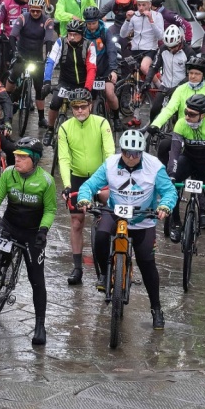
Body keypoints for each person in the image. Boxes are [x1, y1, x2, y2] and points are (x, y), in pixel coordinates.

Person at [78, 130, 176, 329]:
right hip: (115, 212)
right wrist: (84, 198)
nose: (131, 157)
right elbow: (89, 185)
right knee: (102, 236)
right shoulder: (111, 164)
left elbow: (169, 191)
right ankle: (105, 274)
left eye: (136, 153)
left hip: (143, 218)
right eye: (127, 153)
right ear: (121, 151)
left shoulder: (155, 166)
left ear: (142, 152)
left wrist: (165, 206)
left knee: (147, 263)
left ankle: (156, 309)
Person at [0, 137, 55, 346]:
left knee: (37, 280)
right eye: (16, 155)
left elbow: (50, 210)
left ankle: (40, 325)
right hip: (8, 226)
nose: (16, 159)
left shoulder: (46, 181)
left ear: (34, 160)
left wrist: (43, 231)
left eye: (22, 157)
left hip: (32, 232)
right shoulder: (9, 174)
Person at [56, 87, 114, 285]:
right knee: (76, 222)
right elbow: (63, 159)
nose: (79, 111)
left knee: (110, 217)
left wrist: (111, 179)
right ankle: (77, 267)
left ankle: (113, 261)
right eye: (75, 108)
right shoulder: (64, 128)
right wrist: (66, 185)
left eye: (83, 107)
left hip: (101, 176)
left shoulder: (101, 123)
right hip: (78, 178)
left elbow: (109, 153)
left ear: (90, 106)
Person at [166, 93, 205, 271]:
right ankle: (176, 222)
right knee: (172, 182)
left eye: (192, 114)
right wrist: (171, 175)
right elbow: (174, 154)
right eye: (186, 112)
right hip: (189, 160)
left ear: (203, 115)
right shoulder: (181, 123)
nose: (187, 116)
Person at [43, 19, 97, 143]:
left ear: (82, 35)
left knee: (84, 109)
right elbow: (51, 61)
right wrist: (46, 81)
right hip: (65, 81)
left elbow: (91, 68)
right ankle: (50, 129)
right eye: (70, 34)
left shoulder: (89, 45)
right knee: (55, 102)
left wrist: (87, 88)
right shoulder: (60, 42)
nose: (71, 37)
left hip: (83, 84)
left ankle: (87, 132)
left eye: (75, 35)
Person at [6, 0, 56, 128]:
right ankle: (6, 96)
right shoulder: (23, 18)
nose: (34, 13)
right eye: (32, 10)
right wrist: (15, 52)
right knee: (14, 74)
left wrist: (48, 56)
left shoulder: (47, 21)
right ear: (29, 9)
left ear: (42, 10)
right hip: (22, 54)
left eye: (37, 11)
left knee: (39, 88)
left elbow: (49, 40)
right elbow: (12, 36)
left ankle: (41, 118)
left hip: (37, 57)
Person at [146, 25, 188, 123]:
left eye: (173, 47)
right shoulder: (163, 49)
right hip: (165, 86)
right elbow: (154, 66)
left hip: (181, 88)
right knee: (154, 110)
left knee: (179, 116)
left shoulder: (188, 52)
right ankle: (152, 132)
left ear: (180, 42)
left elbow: (190, 75)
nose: (171, 50)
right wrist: (147, 81)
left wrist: (178, 87)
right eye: (169, 47)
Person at [120, 0, 165, 79]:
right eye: (139, 5)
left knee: (144, 68)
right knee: (133, 72)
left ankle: (159, 85)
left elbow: (160, 36)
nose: (141, 8)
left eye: (144, 5)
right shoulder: (134, 16)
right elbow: (122, 34)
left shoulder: (157, 15)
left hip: (150, 49)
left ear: (149, 4)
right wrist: (127, 20)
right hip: (136, 49)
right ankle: (140, 91)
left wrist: (151, 21)